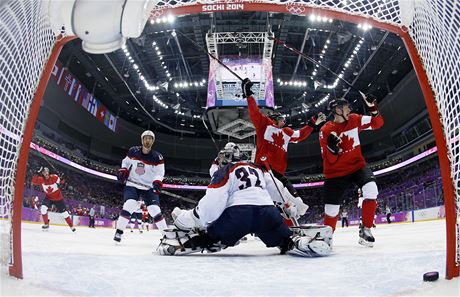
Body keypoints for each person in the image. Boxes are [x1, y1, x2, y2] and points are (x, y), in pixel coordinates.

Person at [157, 147, 332, 257]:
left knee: (211, 237)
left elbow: (212, 205)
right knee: (283, 240)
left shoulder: (225, 170)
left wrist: (191, 218)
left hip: (238, 216)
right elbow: (276, 188)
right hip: (267, 213)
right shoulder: (257, 168)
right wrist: (290, 206)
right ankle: (298, 243)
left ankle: (187, 244)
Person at [241, 78, 326, 200]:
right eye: (281, 119)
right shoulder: (265, 125)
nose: (284, 121)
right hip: (263, 169)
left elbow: (300, 135)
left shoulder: (287, 132)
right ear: (274, 119)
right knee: (270, 198)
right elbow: (254, 113)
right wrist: (249, 95)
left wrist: (312, 124)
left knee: (293, 200)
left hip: (279, 173)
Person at [319, 97, 384, 247]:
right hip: (335, 172)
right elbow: (328, 160)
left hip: (357, 167)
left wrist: (373, 109)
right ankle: (327, 238)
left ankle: (366, 229)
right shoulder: (325, 130)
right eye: (346, 107)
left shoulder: (355, 120)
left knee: (371, 189)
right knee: (331, 209)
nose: (350, 109)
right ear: (337, 110)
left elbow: (378, 123)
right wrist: (331, 148)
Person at [113, 130, 167, 243]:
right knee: (130, 204)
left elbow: (159, 173)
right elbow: (126, 162)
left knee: (154, 209)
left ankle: (166, 236)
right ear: (142, 140)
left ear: (153, 141)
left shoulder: (158, 157)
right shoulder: (133, 151)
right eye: (146, 138)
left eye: (150, 139)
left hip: (148, 187)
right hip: (132, 184)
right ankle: (119, 232)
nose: (148, 140)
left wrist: (157, 182)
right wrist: (123, 170)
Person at [31, 167, 76, 232]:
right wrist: (36, 173)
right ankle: (46, 224)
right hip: (48, 198)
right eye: (44, 172)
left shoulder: (54, 177)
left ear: (48, 172)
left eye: (46, 171)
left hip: (58, 198)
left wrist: (62, 178)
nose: (45, 173)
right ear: (42, 173)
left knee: (65, 213)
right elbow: (34, 181)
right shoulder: (41, 179)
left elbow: (61, 181)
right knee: (43, 209)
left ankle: (71, 227)